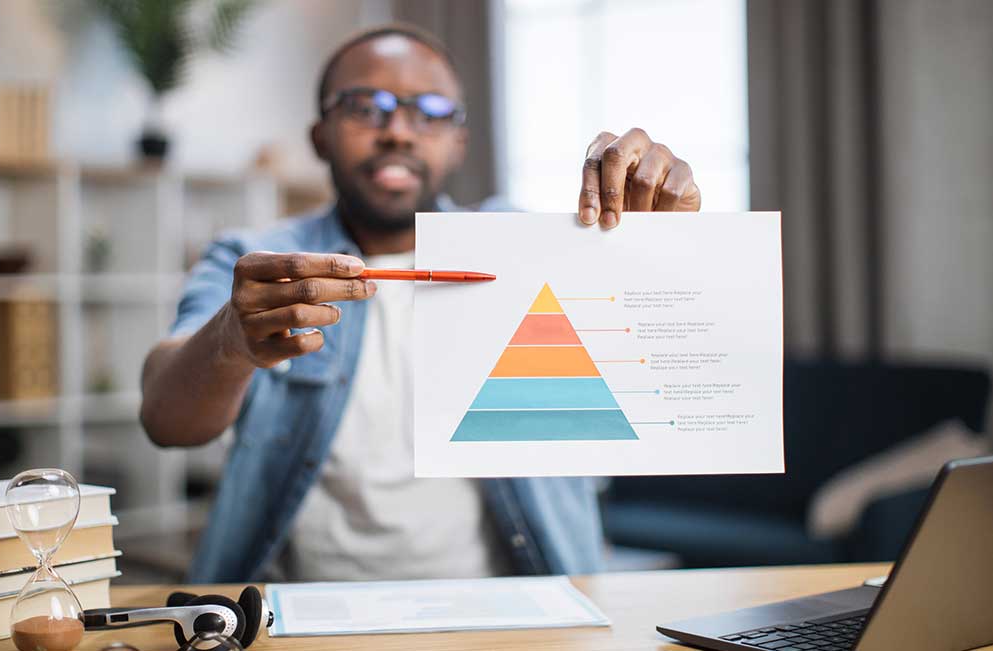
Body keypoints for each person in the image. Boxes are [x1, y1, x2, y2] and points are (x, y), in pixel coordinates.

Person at [140, 24, 701, 583]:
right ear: (320, 137)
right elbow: (167, 420)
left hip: (521, 614)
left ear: (459, 141)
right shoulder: (256, 262)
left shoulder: (528, 249)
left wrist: (657, 231)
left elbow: (658, 352)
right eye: (365, 106)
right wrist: (230, 342)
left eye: (430, 111)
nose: (398, 132)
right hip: (299, 615)